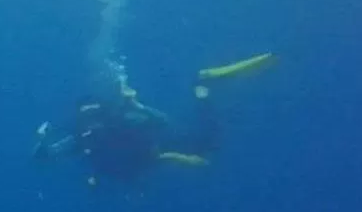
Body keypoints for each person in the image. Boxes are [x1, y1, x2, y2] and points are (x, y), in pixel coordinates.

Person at [34, 52, 277, 186]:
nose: (93, 126)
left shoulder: (93, 131)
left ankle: (201, 85)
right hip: (153, 154)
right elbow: (47, 155)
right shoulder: (95, 129)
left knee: (209, 146)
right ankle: (203, 89)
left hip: (157, 150)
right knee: (206, 145)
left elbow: (162, 123)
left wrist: (138, 107)